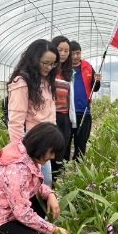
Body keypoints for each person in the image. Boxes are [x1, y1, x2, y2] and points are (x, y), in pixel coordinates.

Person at [7, 39, 58, 187]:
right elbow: (15, 121)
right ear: (34, 59)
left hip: (47, 139)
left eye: (52, 64)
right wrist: (20, 153)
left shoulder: (46, 80)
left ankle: (39, 209)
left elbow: (50, 111)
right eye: (45, 63)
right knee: (38, 181)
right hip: (32, 139)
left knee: (44, 181)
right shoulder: (22, 82)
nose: (49, 67)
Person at [68, 40, 101, 160]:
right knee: (66, 141)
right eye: (73, 54)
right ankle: (62, 169)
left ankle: (78, 169)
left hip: (84, 111)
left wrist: (97, 81)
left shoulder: (87, 67)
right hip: (67, 112)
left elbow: (95, 89)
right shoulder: (63, 68)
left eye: (78, 53)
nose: (76, 56)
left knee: (81, 142)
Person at [50, 35, 76, 176]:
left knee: (62, 149)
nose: (64, 54)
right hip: (50, 117)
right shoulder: (47, 70)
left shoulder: (68, 73)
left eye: (67, 51)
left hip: (64, 117)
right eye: (60, 50)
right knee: (49, 149)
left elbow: (69, 99)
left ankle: (57, 179)